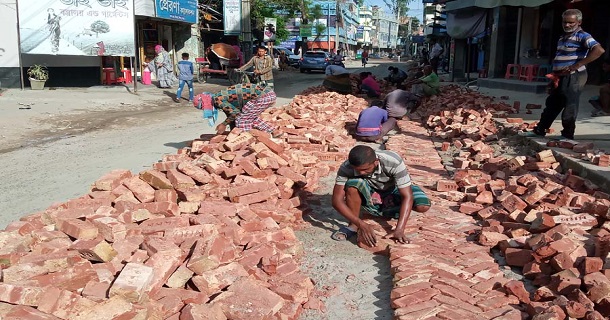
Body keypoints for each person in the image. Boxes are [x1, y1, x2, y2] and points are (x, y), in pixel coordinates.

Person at [520, 9, 605, 140]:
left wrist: (577, 65)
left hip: (574, 76)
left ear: (579, 22)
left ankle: (567, 135)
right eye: (565, 22)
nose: (567, 25)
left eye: (571, 22)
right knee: (553, 103)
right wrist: (554, 76)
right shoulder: (562, 37)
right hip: (560, 76)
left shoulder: (583, 36)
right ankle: (540, 130)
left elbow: (599, 50)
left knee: (570, 104)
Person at [330, 145, 431, 245]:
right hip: (370, 190)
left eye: (365, 169)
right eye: (357, 170)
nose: (361, 172)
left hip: (393, 188)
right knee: (352, 185)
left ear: (376, 162)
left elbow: (407, 196)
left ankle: (393, 208)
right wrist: (360, 224)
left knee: (422, 206)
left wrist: (399, 229)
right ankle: (353, 226)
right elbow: (336, 201)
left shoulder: (393, 161)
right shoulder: (347, 167)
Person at [195, 83, 281, 137]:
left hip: (263, 96)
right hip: (268, 94)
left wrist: (224, 124)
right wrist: (232, 132)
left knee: (242, 120)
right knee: (249, 116)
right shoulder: (218, 96)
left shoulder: (217, 99)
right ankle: (274, 131)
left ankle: (246, 141)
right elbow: (231, 115)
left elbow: (235, 113)